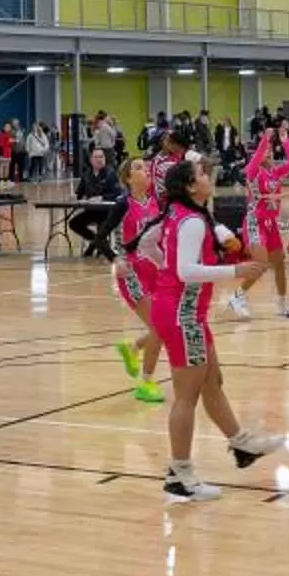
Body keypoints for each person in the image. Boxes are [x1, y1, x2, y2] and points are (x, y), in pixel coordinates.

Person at [134, 156, 286, 501]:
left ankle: (242, 445)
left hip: (184, 311)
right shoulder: (190, 222)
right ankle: (179, 475)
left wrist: (164, 269)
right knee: (187, 397)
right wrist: (235, 272)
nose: (207, 175)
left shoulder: (180, 214)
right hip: (182, 313)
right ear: (191, 186)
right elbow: (187, 271)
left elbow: (146, 245)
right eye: (201, 173)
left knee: (212, 381)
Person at [106, 157, 167, 404]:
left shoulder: (156, 202)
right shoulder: (123, 204)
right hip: (130, 271)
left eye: (146, 166)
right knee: (159, 328)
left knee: (161, 326)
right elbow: (99, 238)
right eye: (138, 167)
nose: (145, 170)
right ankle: (146, 383)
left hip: (153, 268)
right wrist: (114, 259)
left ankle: (132, 348)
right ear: (129, 178)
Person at [229, 126, 289, 320]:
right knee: (261, 263)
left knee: (279, 263)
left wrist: (285, 142)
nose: (268, 151)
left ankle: (283, 303)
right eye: (264, 150)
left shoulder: (276, 173)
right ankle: (237, 297)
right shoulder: (253, 171)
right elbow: (258, 154)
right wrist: (265, 139)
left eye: (269, 149)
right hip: (255, 222)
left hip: (270, 223)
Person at [66, 148, 124, 257]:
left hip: (107, 212)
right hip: (91, 210)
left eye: (101, 157)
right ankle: (95, 242)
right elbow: (79, 193)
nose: (99, 160)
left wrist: (102, 197)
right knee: (73, 223)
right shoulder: (86, 174)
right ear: (91, 160)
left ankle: (99, 246)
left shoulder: (111, 173)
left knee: (102, 229)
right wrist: (75, 197)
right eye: (96, 157)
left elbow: (117, 194)